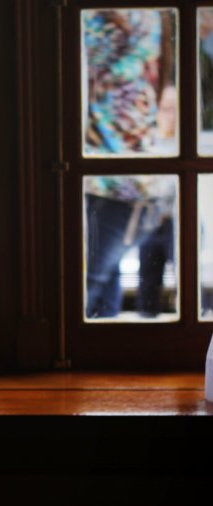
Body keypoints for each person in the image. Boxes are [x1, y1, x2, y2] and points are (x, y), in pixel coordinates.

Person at [83, 9, 177, 319]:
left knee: (86, 290)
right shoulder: (147, 19)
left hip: (115, 178)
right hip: (118, 175)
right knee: (100, 287)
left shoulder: (121, 18)